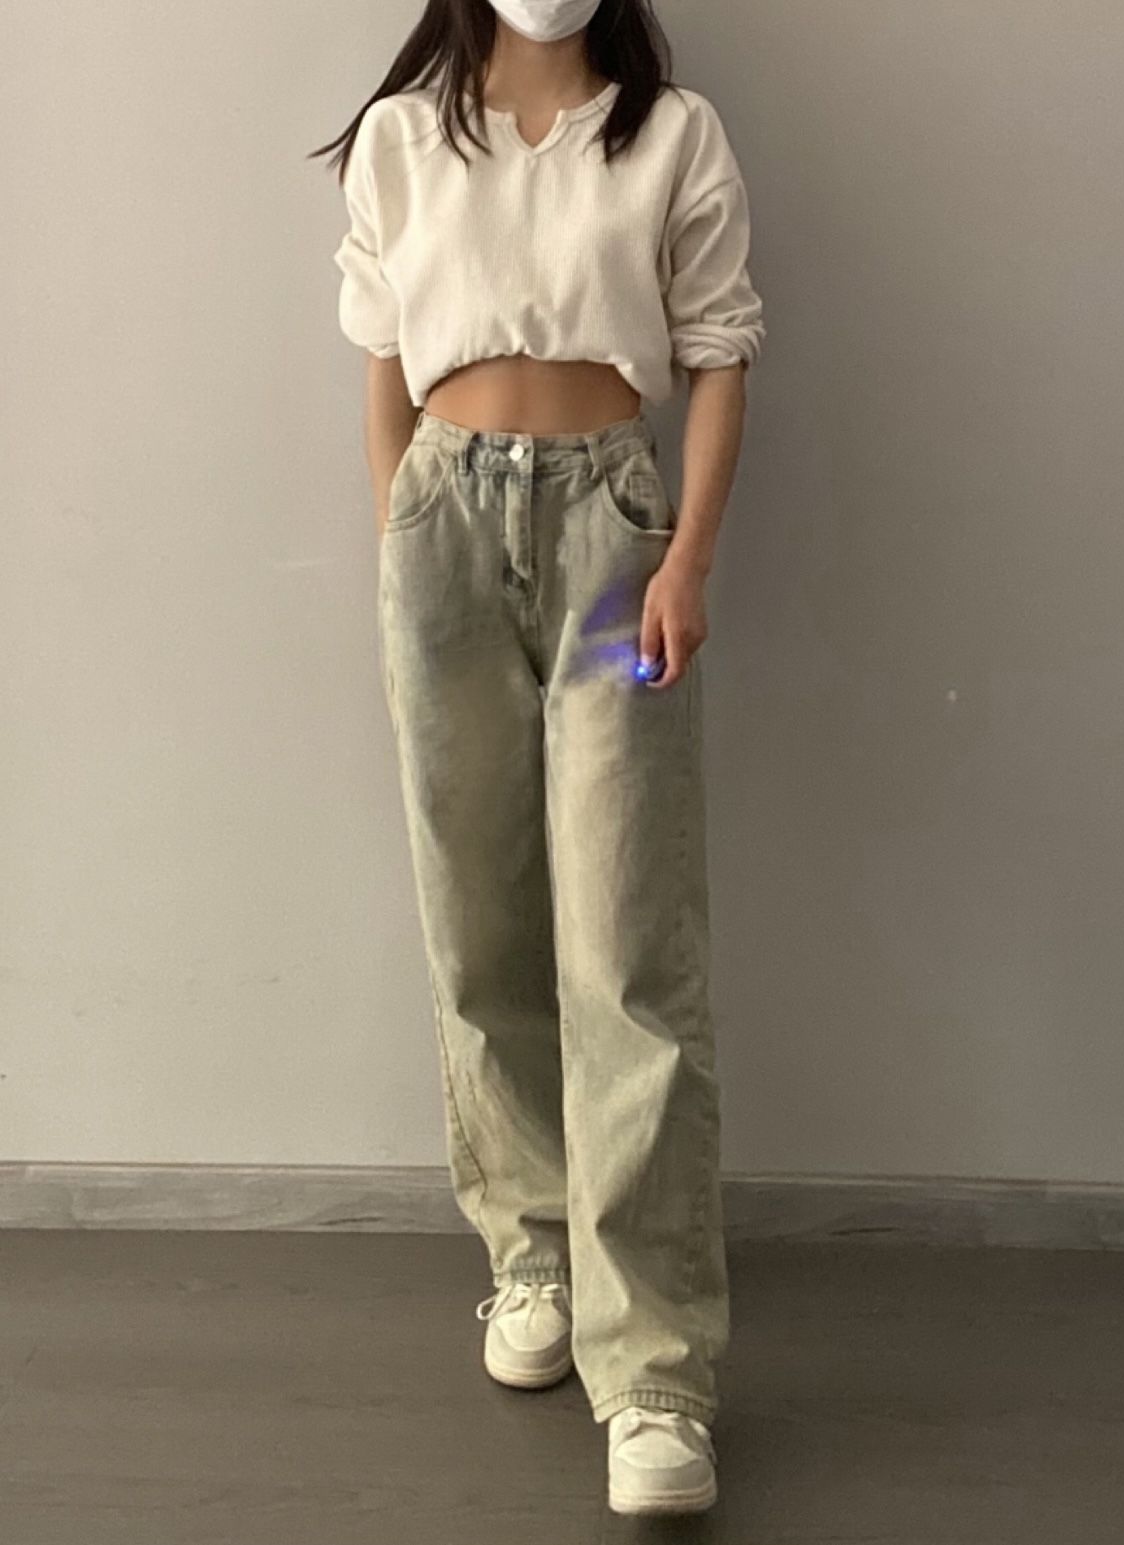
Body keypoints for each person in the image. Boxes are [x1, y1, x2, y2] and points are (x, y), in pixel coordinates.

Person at [314, 0, 764, 1517]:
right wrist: (403, 534)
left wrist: (685, 560)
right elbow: (384, 358)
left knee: (627, 944)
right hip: (442, 536)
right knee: (478, 918)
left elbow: (718, 354)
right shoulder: (400, 140)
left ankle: (656, 1375)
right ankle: (532, 1255)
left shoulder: (670, 136)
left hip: (609, 548)